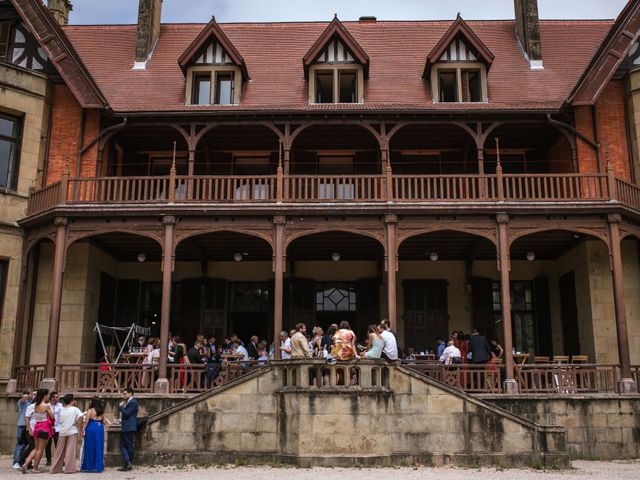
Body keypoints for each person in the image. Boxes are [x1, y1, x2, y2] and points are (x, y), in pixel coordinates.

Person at [21, 388, 54, 474]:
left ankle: (26, 464)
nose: (49, 396)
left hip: (37, 427)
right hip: (44, 427)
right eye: (48, 395)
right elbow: (52, 417)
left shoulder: (35, 405)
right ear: (44, 395)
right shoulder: (46, 406)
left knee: (35, 448)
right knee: (40, 449)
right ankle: (35, 468)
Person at [50, 394, 84, 474]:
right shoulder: (75, 409)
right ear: (71, 400)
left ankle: (55, 468)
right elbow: (81, 417)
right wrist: (78, 424)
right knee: (70, 450)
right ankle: (69, 469)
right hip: (72, 430)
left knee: (59, 450)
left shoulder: (61, 409)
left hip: (62, 431)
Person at [81, 397, 106, 473]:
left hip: (91, 429)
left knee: (89, 447)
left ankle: (89, 466)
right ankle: (98, 466)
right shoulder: (102, 411)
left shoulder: (90, 410)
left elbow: (86, 421)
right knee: (99, 446)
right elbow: (104, 421)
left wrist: (83, 429)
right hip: (99, 429)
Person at [118, 387, 139, 472]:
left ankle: (128, 463)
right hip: (126, 427)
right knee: (122, 445)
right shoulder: (129, 402)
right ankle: (127, 462)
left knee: (128, 445)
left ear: (130, 393)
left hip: (129, 427)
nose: (123, 395)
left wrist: (121, 407)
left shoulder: (133, 402)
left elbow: (127, 414)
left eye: (125, 393)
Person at [11, 390, 31, 470]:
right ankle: (16, 462)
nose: (33, 395)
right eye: (32, 394)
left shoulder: (30, 403)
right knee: (20, 444)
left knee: (25, 445)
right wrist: (27, 395)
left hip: (27, 426)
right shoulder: (22, 402)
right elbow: (24, 397)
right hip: (22, 425)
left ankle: (20, 461)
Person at [45, 390, 62, 466]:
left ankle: (59, 460)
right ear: (52, 398)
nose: (59, 398)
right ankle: (48, 460)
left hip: (57, 428)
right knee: (47, 445)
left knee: (58, 444)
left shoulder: (60, 405)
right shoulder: (46, 405)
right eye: (57, 396)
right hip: (48, 428)